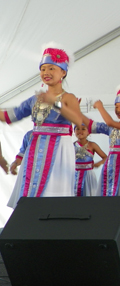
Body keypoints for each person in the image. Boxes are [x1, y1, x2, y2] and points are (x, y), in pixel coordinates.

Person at [1, 43, 86, 207]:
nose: (46, 72)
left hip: (59, 148)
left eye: (51, 68)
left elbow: (78, 120)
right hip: (35, 147)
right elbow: (9, 116)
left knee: (54, 192)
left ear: (63, 72)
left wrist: (55, 102)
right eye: (43, 68)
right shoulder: (35, 99)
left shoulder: (69, 97)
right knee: (32, 190)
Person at [86, 86, 120, 206]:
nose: (118, 110)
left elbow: (110, 122)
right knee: (108, 199)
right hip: (111, 164)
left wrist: (100, 107)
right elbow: (90, 125)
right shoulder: (111, 128)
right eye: (116, 107)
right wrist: (75, 110)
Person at [74, 124, 107, 196]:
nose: (80, 131)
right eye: (77, 129)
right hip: (75, 175)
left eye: (83, 129)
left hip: (88, 175)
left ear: (88, 132)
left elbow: (105, 157)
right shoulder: (72, 145)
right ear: (74, 131)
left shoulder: (92, 145)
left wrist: (98, 164)